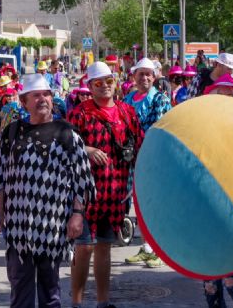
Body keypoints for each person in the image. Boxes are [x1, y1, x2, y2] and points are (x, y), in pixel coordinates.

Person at [0, 73, 95, 308]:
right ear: (24, 101)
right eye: (36, 95)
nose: (43, 99)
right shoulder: (12, 132)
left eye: (46, 94)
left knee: (51, 292)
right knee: (19, 288)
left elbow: (82, 179)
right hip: (18, 226)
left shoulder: (67, 134)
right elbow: (1, 175)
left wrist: (77, 215)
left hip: (53, 225)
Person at [68, 62, 144, 308]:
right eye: (98, 83)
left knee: (104, 247)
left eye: (109, 81)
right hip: (85, 193)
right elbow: (64, 145)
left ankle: (103, 302)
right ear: (89, 86)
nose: (105, 87)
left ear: (116, 82)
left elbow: (140, 144)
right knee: (84, 248)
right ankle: (77, 303)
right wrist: (86, 149)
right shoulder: (79, 113)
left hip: (115, 192)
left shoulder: (127, 113)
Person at [122, 59, 171, 269]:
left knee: (155, 206)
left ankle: (160, 251)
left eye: (148, 74)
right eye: (141, 74)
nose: (144, 78)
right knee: (140, 206)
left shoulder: (160, 99)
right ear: (134, 77)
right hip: (132, 161)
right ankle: (146, 248)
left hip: (153, 160)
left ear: (155, 76)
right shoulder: (127, 99)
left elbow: (159, 128)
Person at [201, 77, 233, 308]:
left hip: (232, 218)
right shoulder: (200, 130)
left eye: (229, 95)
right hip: (207, 217)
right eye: (220, 94)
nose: (224, 100)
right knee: (211, 285)